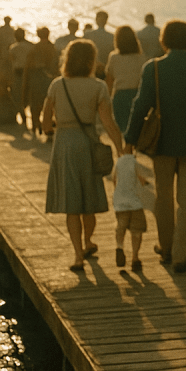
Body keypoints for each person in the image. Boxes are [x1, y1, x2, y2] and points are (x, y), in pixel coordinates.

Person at [124, 20, 186, 274]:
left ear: (163, 41)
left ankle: (165, 248)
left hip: (163, 143)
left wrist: (130, 137)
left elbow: (140, 105)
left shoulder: (154, 68)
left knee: (164, 197)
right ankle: (181, 256)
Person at [41, 40, 125, 271]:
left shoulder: (57, 85)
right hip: (89, 142)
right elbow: (108, 122)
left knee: (71, 204)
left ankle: (78, 254)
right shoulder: (98, 86)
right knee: (89, 200)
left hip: (65, 144)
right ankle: (88, 241)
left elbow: (45, 121)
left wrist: (53, 126)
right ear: (90, 61)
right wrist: (121, 148)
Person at [112, 145, 148, 272]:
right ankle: (135, 258)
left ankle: (119, 246)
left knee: (121, 226)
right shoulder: (134, 162)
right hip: (134, 202)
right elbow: (142, 180)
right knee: (136, 231)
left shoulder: (118, 162)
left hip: (120, 202)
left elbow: (114, 179)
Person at [105, 26, 147, 133]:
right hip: (138, 95)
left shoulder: (113, 57)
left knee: (124, 130)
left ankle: (127, 149)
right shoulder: (141, 58)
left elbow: (109, 81)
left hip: (120, 97)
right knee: (137, 130)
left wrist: (107, 102)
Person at [24, 27, 59, 136]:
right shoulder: (53, 48)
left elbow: (28, 67)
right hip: (50, 80)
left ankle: (36, 125)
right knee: (50, 104)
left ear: (38, 35)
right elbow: (57, 65)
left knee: (35, 104)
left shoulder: (34, 49)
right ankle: (48, 127)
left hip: (36, 80)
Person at [9, 27, 32, 128]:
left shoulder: (13, 47)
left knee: (17, 95)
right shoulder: (30, 46)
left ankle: (22, 115)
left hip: (18, 73)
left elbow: (11, 62)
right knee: (29, 95)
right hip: (29, 73)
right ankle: (31, 118)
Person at [83, 11, 115, 79]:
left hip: (89, 69)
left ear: (96, 20)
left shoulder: (88, 34)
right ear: (106, 21)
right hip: (105, 70)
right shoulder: (112, 37)